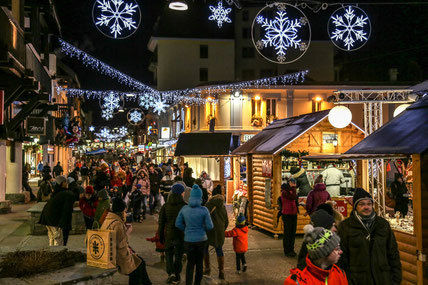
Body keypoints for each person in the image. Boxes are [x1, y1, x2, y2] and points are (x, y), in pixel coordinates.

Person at [338, 188, 402, 285]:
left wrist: (395, 280)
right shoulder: (345, 227)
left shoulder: (383, 225)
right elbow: (342, 259)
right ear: (355, 207)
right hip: (358, 280)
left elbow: (393, 254)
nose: (366, 207)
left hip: (383, 279)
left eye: (369, 204)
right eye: (362, 204)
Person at [101, 198, 152, 285]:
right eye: (125, 211)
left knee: (140, 263)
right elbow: (122, 247)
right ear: (120, 212)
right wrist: (127, 233)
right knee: (137, 268)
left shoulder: (108, 219)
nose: (125, 214)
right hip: (116, 256)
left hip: (109, 252)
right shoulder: (117, 224)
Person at [175, 185, 214, 285]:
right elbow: (210, 226)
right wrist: (202, 229)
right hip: (201, 240)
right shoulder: (204, 210)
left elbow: (178, 224)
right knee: (199, 263)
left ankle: (188, 283)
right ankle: (197, 283)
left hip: (188, 239)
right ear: (200, 197)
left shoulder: (184, 209)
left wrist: (186, 229)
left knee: (190, 264)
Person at [159, 183, 187, 284]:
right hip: (181, 234)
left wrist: (161, 235)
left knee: (169, 254)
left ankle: (171, 273)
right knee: (179, 255)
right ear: (181, 194)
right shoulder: (185, 206)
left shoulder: (166, 206)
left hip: (169, 233)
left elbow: (161, 222)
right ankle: (177, 275)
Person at [39, 176, 75, 246]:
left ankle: (51, 253)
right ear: (62, 183)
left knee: (52, 237)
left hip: (47, 217)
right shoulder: (67, 194)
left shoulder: (57, 192)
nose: (66, 183)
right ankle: (57, 254)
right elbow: (66, 211)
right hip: (54, 219)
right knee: (58, 238)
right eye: (65, 182)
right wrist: (63, 224)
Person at [203, 185, 228, 279]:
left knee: (205, 248)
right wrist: (222, 229)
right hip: (219, 231)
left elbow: (203, 218)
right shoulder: (222, 206)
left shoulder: (207, 205)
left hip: (208, 231)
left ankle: (207, 268)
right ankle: (221, 271)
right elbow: (226, 221)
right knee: (219, 249)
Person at [277, 180, 299, 257]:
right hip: (287, 215)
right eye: (292, 183)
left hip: (293, 214)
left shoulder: (290, 191)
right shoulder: (284, 192)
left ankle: (291, 249)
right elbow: (293, 197)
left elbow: (294, 198)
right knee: (287, 233)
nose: (294, 184)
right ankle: (287, 250)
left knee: (292, 233)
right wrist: (293, 188)